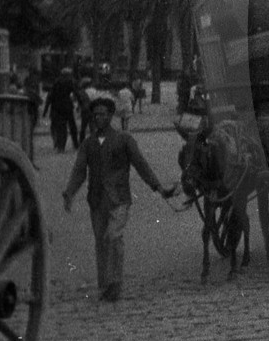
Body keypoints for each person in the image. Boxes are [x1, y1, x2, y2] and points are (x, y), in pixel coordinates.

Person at [62, 95, 178, 302]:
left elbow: (141, 165)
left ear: (110, 116)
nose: (98, 118)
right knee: (101, 243)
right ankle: (104, 286)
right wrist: (69, 193)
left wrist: (158, 187)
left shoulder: (123, 140)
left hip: (119, 199)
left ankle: (115, 284)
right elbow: (79, 171)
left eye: (102, 114)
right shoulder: (88, 144)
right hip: (96, 200)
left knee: (113, 237)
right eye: (95, 115)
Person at [43, 72, 79, 152]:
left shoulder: (56, 83)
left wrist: (45, 111)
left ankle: (61, 146)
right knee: (72, 126)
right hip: (67, 107)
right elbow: (76, 93)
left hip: (57, 108)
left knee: (61, 128)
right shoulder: (69, 82)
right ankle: (75, 144)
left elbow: (49, 98)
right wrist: (79, 102)